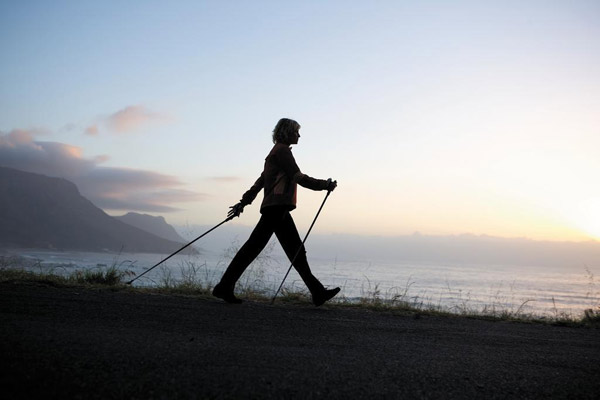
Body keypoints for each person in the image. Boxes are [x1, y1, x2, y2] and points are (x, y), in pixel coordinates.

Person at [212, 118, 340, 306]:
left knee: (289, 250)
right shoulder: (282, 152)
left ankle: (317, 292)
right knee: (263, 249)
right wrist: (324, 185)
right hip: (277, 208)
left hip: (275, 208)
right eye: (296, 131)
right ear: (287, 132)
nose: (299, 135)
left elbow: (261, 181)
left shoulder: (275, 152)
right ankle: (224, 287)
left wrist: (243, 202)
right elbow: (299, 177)